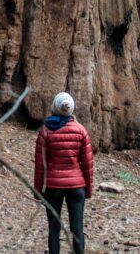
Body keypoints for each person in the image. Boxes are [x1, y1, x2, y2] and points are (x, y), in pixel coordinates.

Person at [33, 92, 94, 254]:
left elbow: (40, 165)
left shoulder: (45, 131)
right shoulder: (81, 131)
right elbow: (88, 164)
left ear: (54, 107)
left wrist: (38, 191)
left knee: (54, 229)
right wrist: (88, 189)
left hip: (53, 187)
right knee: (77, 228)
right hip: (77, 186)